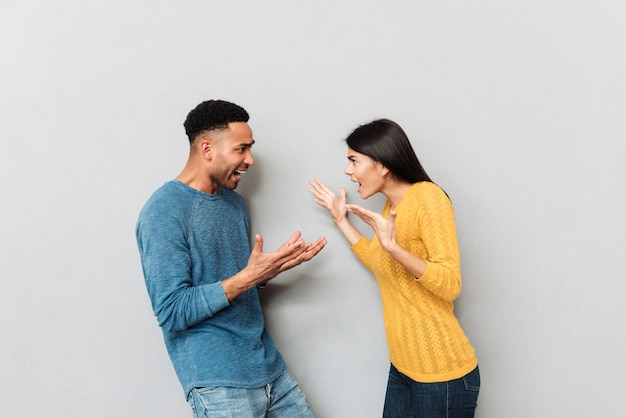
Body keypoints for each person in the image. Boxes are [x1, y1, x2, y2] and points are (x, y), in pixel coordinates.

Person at [136, 99, 326, 417]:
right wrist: (249, 276)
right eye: (241, 149)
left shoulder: (234, 204)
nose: (250, 159)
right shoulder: (163, 211)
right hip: (218, 382)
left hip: (269, 369)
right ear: (207, 149)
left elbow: (233, 279)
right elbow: (171, 311)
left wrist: (266, 271)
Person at [309, 119, 480, 418]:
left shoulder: (428, 198)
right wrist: (340, 220)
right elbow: (380, 263)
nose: (348, 171)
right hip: (404, 367)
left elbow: (451, 284)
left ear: (383, 164)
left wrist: (394, 248)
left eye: (353, 161)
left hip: (441, 374)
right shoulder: (391, 207)